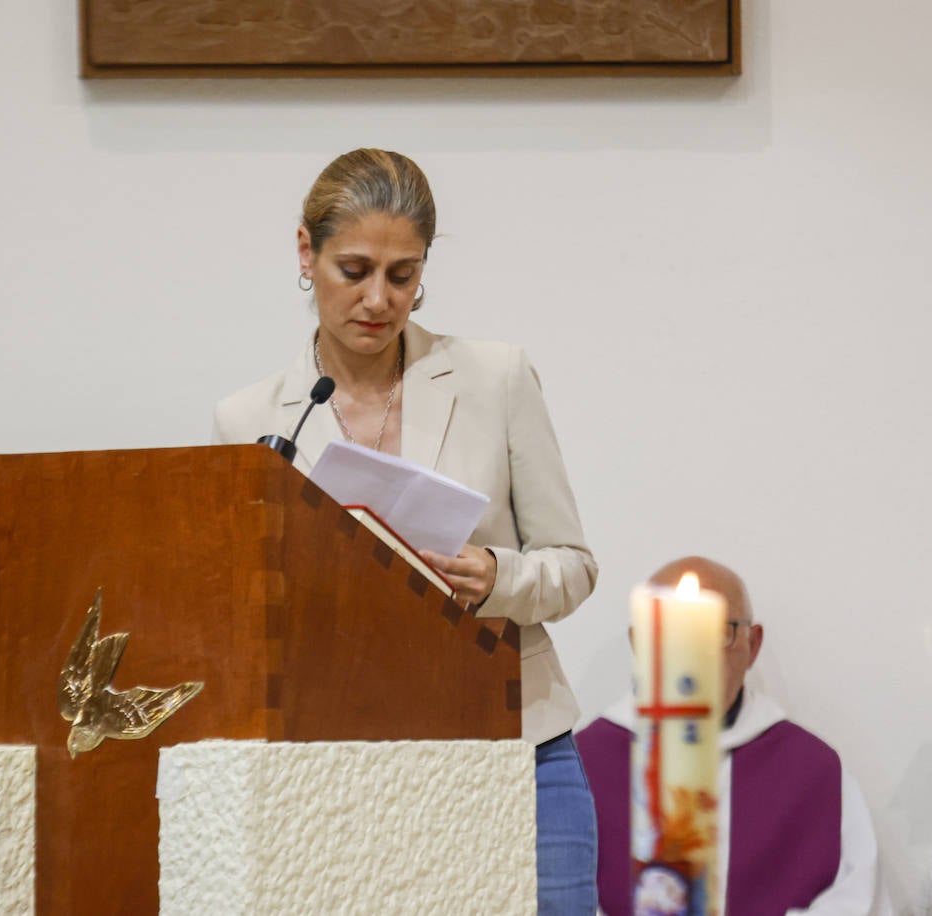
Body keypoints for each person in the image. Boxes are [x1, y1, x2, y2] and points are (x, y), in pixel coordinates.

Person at [212, 148, 600, 913]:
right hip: (344, 763)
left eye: (402, 274)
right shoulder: (253, 420)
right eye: (353, 270)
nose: (379, 300)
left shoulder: (495, 378)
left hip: (519, 747)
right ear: (306, 252)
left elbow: (574, 566)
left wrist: (499, 576)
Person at [576, 556, 889, 915]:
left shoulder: (814, 771)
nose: (688, 652)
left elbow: (857, 899)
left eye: (714, 631)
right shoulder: (583, 764)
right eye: (667, 630)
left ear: (752, 644)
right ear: (639, 643)